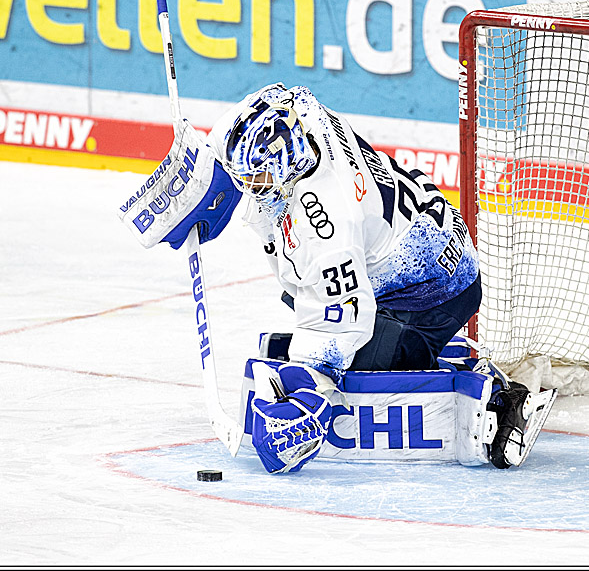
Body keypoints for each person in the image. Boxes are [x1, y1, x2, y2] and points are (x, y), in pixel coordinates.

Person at [206, 82, 533, 474]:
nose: (250, 188)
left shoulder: (327, 225)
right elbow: (251, 121)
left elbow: (342, 317)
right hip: (421, 237)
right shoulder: (302, 113)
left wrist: (312, 392)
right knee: (304, 288)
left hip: (433, 290)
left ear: (283, 162)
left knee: (360, 372)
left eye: (256, 178)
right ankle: (415, 347)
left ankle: (497, 398)